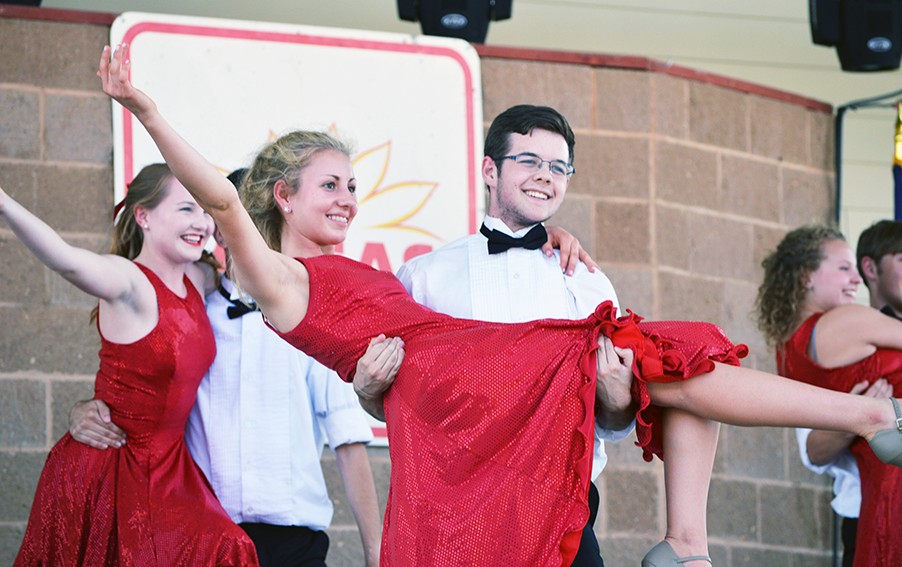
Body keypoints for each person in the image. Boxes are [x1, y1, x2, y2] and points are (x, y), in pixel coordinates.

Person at [100, 43, 902, 567]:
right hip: (463, 375)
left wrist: (573, 277)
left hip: (478, 372)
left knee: (669, 353)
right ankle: (863, 426)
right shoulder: (283, 277)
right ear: (283, 194)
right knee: (672, 347)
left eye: (353, 183)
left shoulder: (400, 269)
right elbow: (223, 202)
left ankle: (687, 545)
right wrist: (148, 112)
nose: (349, 198)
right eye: (331, 185)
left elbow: (399, 368)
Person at [353, 104, 635, 567]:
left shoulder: (587, 283)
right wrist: (367, 390)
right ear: (490, 169)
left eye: (559, 167)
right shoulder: (424, 278)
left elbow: (609, 422)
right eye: (529, 161)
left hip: (565, 520)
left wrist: (621, 399)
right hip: (454, 524)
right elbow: (388, 401)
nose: (546, 176)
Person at [68, 168, 389, 567]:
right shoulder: (190, 313)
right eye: (237, 218)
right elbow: (141, 390)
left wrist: (375, 550)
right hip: (202, 536)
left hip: (296, 543)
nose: (252, 232)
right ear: (218, 231)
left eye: (261, 220)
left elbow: (348, 435)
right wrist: (84, 410)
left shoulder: (314, 316)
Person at [3, 164, 259, 566]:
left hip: (171, 470)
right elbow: (67, 261)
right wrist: (2, 202)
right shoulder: (128, 282)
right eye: (186, 209)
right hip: (108, 471)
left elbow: (259, 256)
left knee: (229, 547)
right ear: (143, 217)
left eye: (206, 211)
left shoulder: (200, 277)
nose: (202, 223)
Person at [756, 224, 902, 567]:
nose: (857, 278)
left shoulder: (789, 350)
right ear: (807, 275)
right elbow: (813, 449)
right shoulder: (845, 321)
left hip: (878, 490)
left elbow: (812, 447)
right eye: (843, 268)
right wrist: (861, 413)